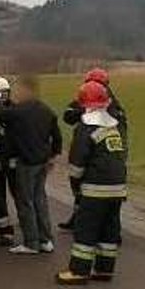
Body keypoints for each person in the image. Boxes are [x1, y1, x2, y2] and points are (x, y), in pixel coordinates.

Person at [57, 81, 127, 285]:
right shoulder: (114, 126)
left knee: (86, 229)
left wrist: (77, 185)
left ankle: (79, 271)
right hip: (118, 188)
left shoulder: (86, 127)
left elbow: (77, 162)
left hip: (95, 188)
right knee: (109, 228)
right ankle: (105, 269)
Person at [0, 76, 62, 255]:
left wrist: (3, 100)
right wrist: (54, 155)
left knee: (25, 202)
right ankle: (45, 240)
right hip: (42, 161)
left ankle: (31, 243)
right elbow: (56, 136)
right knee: (40, 200)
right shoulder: (46, 110)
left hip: (26, 162)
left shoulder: (17, 111)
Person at [59, 67, 128, 232]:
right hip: (106, 151)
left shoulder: (111, 106)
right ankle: (80, 220)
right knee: (94, 190)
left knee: (94, 188)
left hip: (100, 150)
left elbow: (118, 130)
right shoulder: (89, 98)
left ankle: (105, 229)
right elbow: (68, 115)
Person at [0, 76, 16, 246]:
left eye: (5, 92)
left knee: (18, 192)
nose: (3, 95)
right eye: (0, 92)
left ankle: (28, 226)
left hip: (11, 158)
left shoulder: (14, 110)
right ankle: (4, 229)